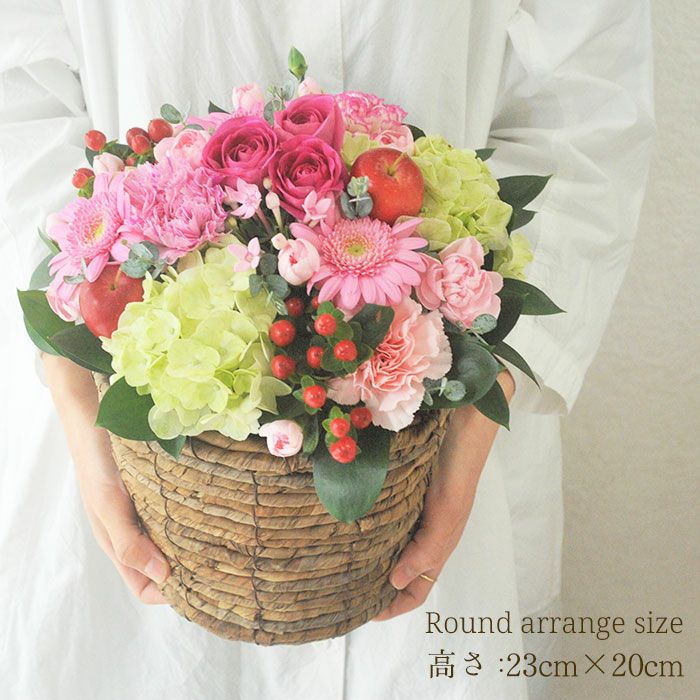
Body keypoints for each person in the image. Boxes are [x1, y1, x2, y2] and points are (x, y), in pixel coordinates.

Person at [0, 1, 654, 698]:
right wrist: (73, 378)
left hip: (439, 432)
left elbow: (588, 98)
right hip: (127, 449)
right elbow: (19, 97)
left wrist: (484, 389)